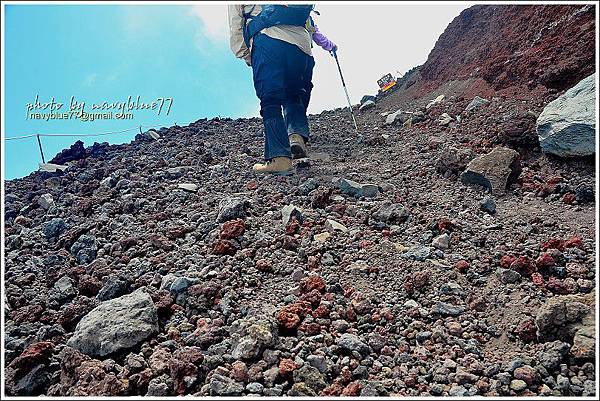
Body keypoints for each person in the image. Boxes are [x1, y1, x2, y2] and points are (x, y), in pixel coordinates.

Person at [228, 4, 314, 175]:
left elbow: (236, 25)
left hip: (268, 39)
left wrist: (247, 55)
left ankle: (280, 159)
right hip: (302, 45)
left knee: (270, 100)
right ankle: (296, 137)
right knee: (294, 93)